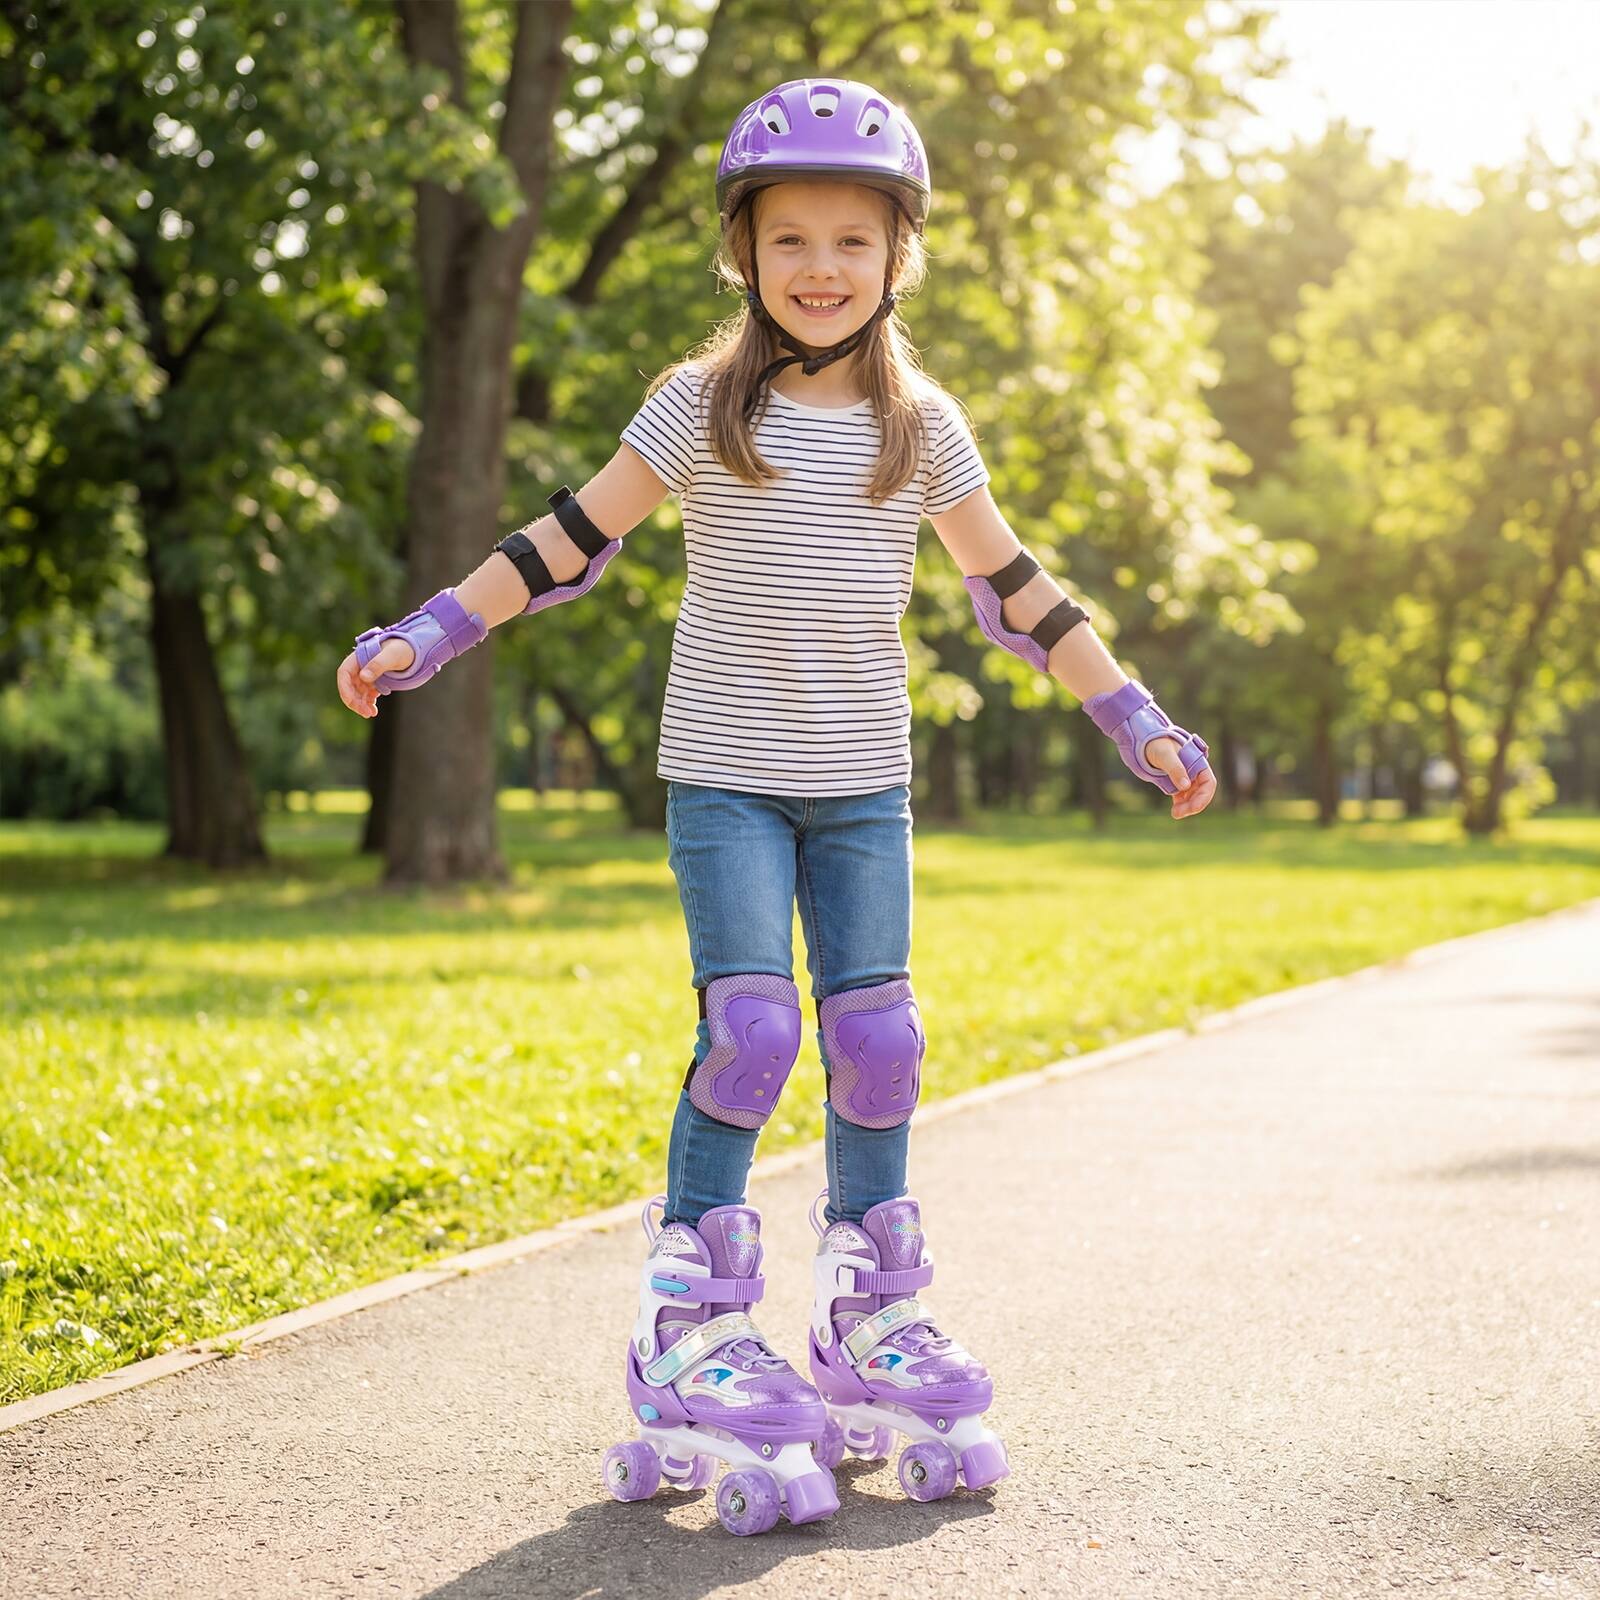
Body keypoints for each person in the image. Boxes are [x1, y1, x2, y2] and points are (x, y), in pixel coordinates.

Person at [337, 76, 1214, 1536]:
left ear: (895, 260)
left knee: (880, 1044)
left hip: (864, 786)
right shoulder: (698, 407)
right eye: (790, 237)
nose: (821, 266)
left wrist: (1133, 715)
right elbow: (563, 540)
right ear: (744, 253)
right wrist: (428, 632)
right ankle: (689, 1322)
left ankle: (870, 1315)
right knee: (752, 1032)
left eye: (853, 243)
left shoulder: (918, 423)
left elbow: (1016, 587)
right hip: (728, 778)